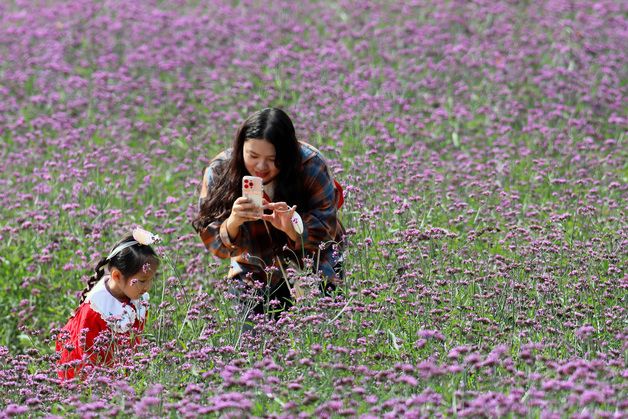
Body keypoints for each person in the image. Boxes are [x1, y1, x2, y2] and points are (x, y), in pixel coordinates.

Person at [193, 107, 345, 321]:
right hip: (253, 272)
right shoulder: (220, 171)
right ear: (240, 148)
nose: (261, 166)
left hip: (314, 266)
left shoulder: (310, 164)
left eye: (273, 159)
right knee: (251, 347)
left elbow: (327, 228)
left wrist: (294, 229)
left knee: (322, 337)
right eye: (252, 156)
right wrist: (233, 223)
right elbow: (213, 241)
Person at [56, 228, 160, 380]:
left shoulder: (136, 296)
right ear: (117, 276)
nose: (148, 287)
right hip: (89, 377)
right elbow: (86, 355)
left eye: (152, 279)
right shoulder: (96, 310)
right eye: (143, 281)